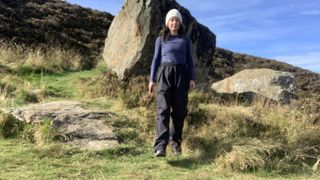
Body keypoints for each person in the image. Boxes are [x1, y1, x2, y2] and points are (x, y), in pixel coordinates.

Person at [148, 9, 196, 157]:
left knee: (179, 111)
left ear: (180, 23)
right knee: (162, 110)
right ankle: (160, 146)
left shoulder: (185, 40)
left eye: (177, 20)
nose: (174, 22)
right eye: (171, 20)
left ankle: (175, 143)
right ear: (167, 23)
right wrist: (151, 79)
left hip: (181, 75)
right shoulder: (161, 39)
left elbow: (189, 60)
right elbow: (156, 60)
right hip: (164, 75)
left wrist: (192, 78)